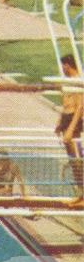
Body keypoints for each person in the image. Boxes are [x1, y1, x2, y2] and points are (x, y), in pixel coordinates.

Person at [56, 54, 84, 206]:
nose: (62, 69)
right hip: (67, 120)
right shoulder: (67, 82)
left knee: (77, 160)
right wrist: (59, 123)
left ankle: (83, 195)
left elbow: (80, 107)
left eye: (64, 66)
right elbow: (65, 104)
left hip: (74, 121)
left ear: (68, 65)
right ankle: (80, 195)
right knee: (73, 161)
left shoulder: (79, 81)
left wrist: (70, 129)